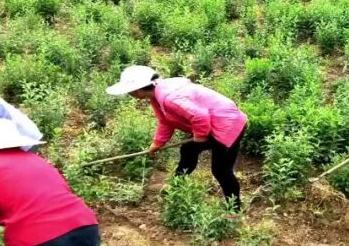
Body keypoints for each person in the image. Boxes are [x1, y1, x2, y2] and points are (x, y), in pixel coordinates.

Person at [106, 66, 247, 208]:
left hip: (228, 125)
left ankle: (235, 208)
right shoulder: (157, 96)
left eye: (129, 90)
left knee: (221, 171)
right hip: (213, 123)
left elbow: (200, 116)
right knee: (188, 149)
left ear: (138, 90)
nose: (129, 93)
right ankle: (176, 185)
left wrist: (200, 137)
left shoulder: (169, 98)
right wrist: (157, 143)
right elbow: (166, 121)